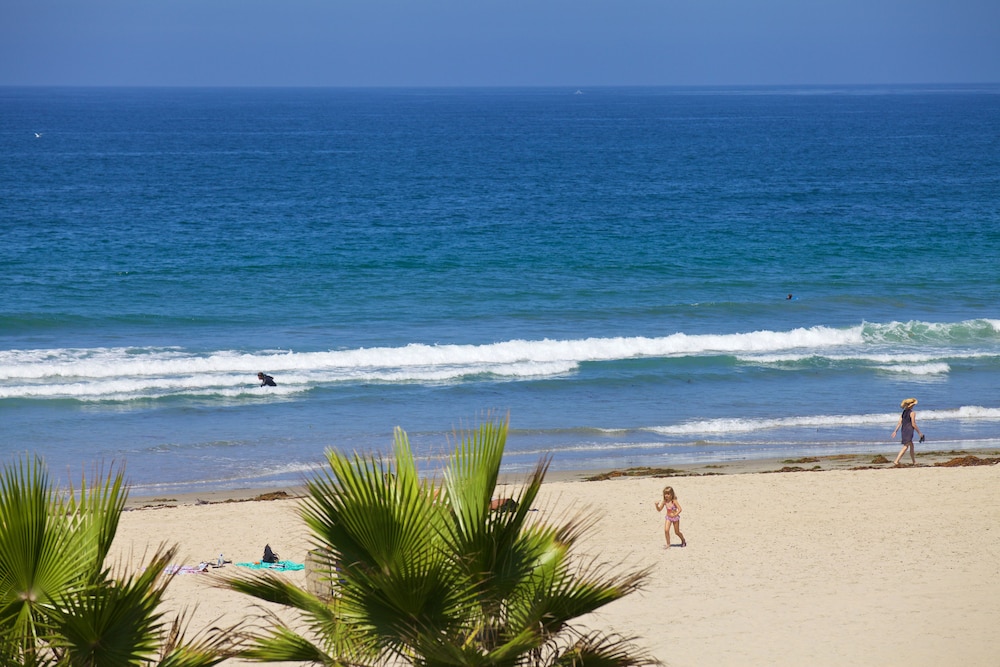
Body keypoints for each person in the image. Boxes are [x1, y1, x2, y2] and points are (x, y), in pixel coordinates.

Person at [891, 397, 923, 466]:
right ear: (912, 405)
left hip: (904, 430)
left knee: (911, 445)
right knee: (906, 446)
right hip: (909, 430)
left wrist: (895, 431)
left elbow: (899, 422)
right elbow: (913, 424)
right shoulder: (912, 413)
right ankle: (896, 460)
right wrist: (919, 432)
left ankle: (914, 461)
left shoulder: (904, 412)